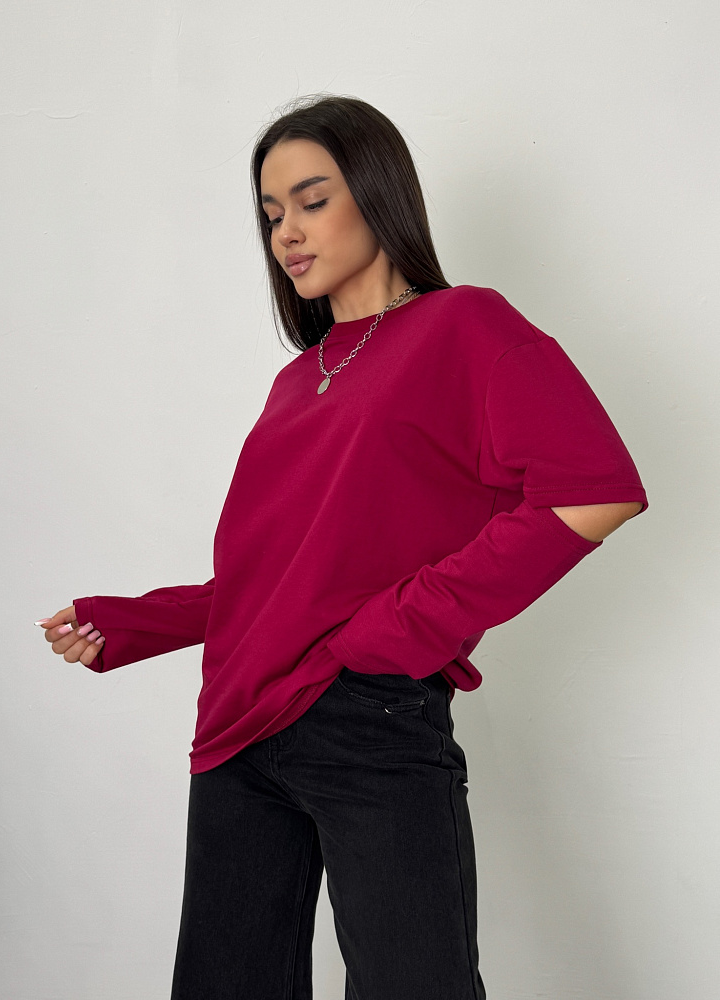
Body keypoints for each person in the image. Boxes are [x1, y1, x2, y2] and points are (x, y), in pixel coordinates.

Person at [36, 94, 648, 1000]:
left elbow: (596, 490)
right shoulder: (297, 381)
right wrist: (130, 625)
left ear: (377, 192)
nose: (286, 231)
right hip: (236, 731)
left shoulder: (465, 327)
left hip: (370, 718)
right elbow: (279, 581)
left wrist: (404, 624)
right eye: (270, 212)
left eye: (312, 200)